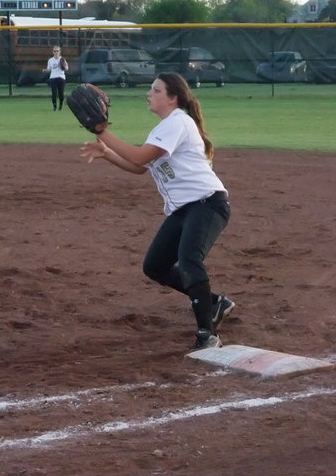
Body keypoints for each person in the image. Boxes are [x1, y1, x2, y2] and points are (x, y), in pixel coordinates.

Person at [79, 72, 235, 350]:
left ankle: (206, 335)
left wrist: (103, 132)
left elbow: (139, 157)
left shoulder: (178, 122)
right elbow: (140, 167)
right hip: (183, 210)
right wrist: (107, 154)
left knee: (189, 261)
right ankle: (213, 303)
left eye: (156, 90)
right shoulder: (163, 129)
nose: (149, 94)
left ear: (172, 98)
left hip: (207, 203)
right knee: (154, 266)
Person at [43, 46, 68, 111]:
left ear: (60, 52)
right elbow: (49, 69)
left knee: (61, 93)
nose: (56, 52)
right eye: (54, 51)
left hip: (61, 78)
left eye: (57, 51)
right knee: (54, 93)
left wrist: (64, 68)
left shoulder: (62, 59)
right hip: (53, 78)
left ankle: (60, 105)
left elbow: (66, 68)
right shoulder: (50, 60)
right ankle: (54, 106)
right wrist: (45, 70)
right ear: (53, 52)